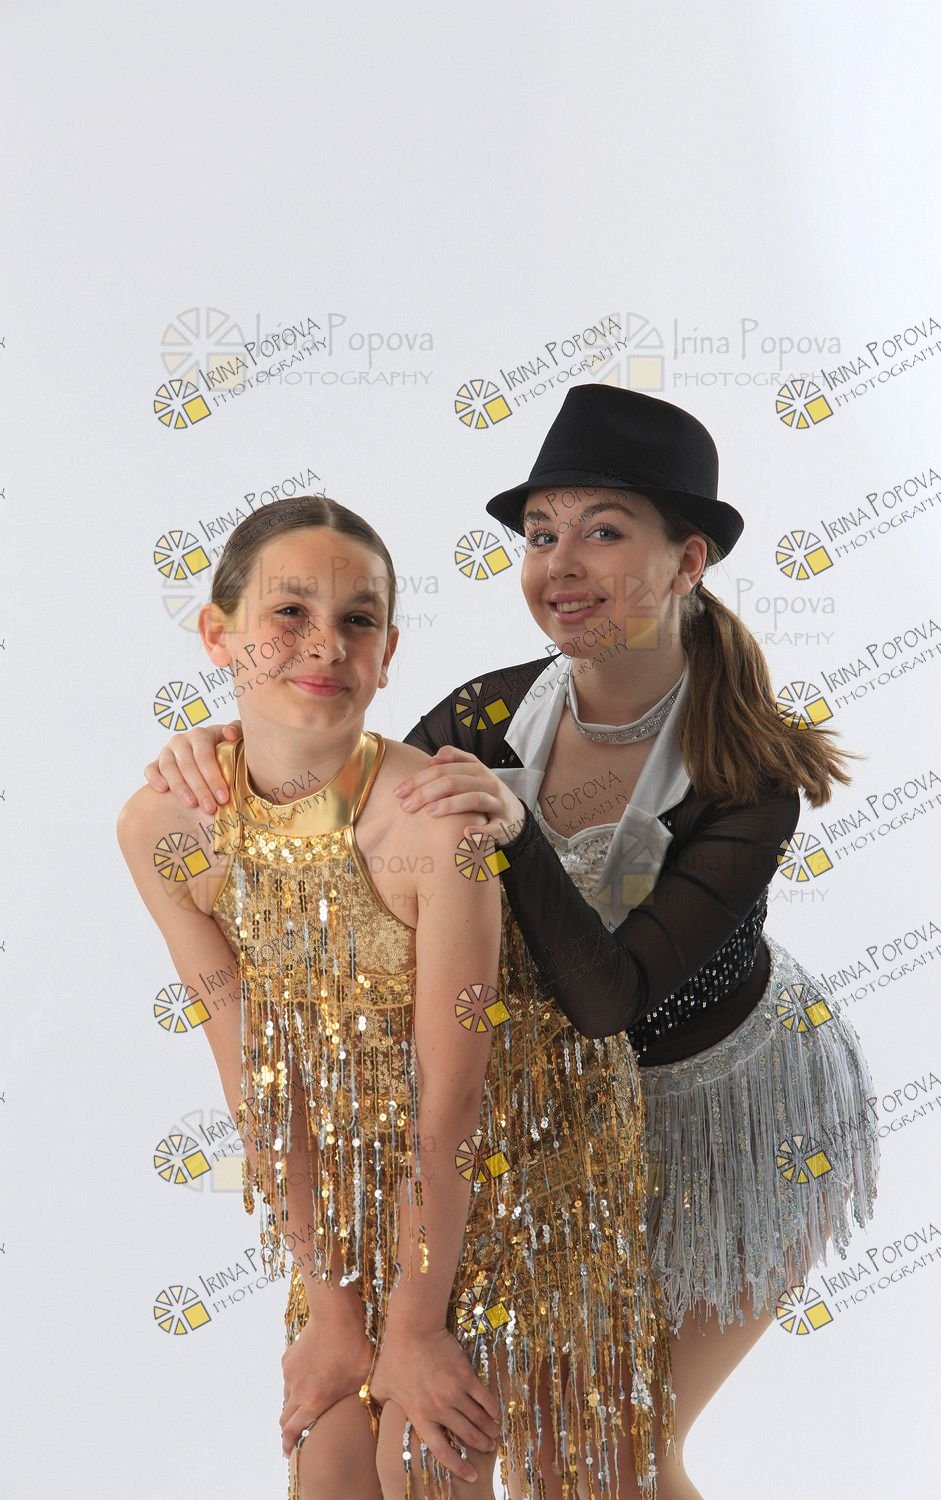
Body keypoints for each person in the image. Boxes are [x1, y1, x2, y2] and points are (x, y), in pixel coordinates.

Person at [146, 385, 881, 1498]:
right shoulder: (487, 714)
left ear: (687, 561)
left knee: (612, 1454)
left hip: (715, 1115)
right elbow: (340, 786)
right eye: (541, 535)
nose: (560, 565)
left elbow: (610, 1001)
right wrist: (220, 747)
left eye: (603, 532)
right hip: (543, 1117)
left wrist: (518, 830)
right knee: (434, 1432)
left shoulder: (750, 775)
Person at [121, 492, 673, 1500]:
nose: (325, 645)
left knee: (424, 1460)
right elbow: (255, 1083)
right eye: (289, 613)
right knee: (332, 1464)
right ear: (217, 635)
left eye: (358, 619)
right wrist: (333, 1309)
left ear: (388, 655)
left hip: (523, 1160)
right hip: (358, 1180)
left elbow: (452, 1102)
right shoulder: (161, 828)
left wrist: (414, 1327)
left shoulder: (432, 822)